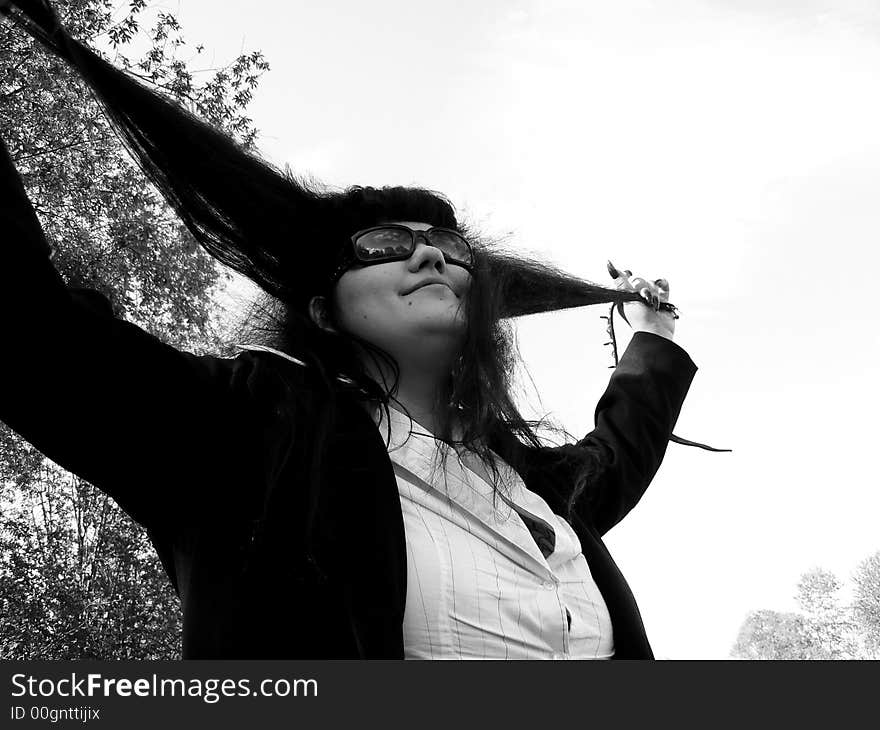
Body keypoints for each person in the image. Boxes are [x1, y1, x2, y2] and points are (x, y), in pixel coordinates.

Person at [0, 0, 714, 659]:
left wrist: (655, 333)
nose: (430, 253)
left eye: (449, 246)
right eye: (381, 246)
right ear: (322, 311)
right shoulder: (251, 432)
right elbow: (33, 335)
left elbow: (617, 453)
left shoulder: (526, 482)